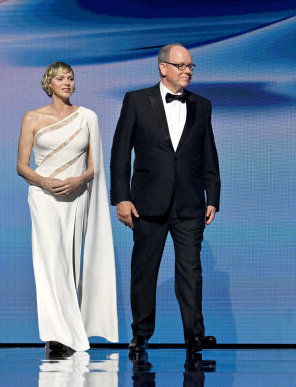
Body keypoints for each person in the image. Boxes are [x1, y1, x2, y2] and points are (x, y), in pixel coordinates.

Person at [110, 44, 221, 353]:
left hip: (190, 202)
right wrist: (121, 198)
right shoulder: (136, 101)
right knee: (144, 271)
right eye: (181, 65)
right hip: (147, 203)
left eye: (190, 66)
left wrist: (213, 194)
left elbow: (207, 153)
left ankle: (194, 335)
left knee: (191, 271)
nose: (187, 70)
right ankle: (141, 334)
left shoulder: (202, 105)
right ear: (163, 68)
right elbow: (120, 153)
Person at [17, 61, 118, 355]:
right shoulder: (32, 118)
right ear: (49, 83)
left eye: (71, 78)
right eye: (61, 78)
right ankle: (57, 334)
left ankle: (69, 331)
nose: (67, 83)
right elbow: (22, 166)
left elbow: (93, 167)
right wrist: (46, 183)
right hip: (43, 197)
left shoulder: (87, 117)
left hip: (76, 197)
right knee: (50, 263)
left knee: (70, 261)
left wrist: (78, 180)